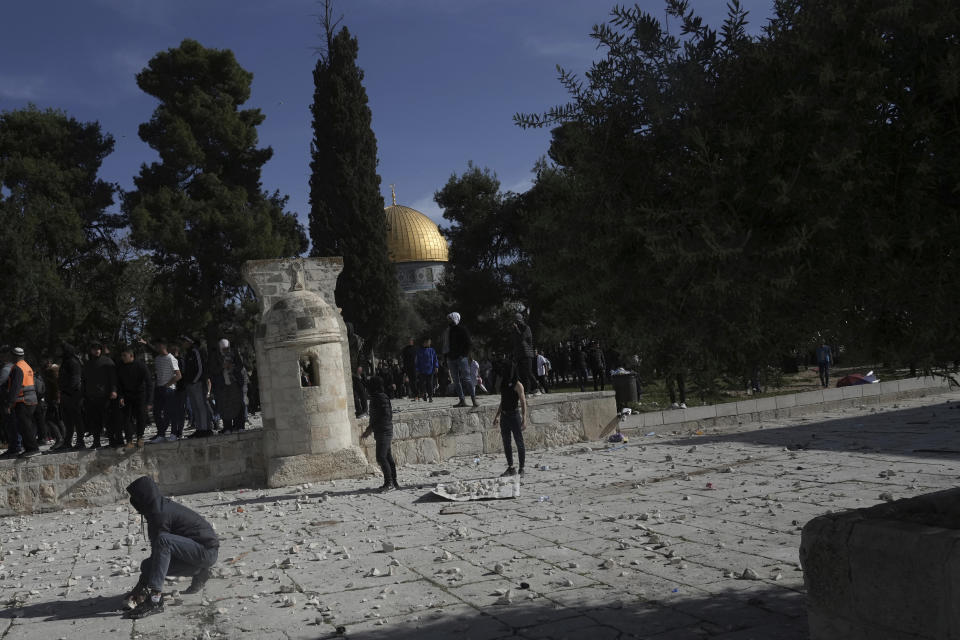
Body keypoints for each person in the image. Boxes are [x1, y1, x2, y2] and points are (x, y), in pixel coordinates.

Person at [122, 476, 219, 619]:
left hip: (206, 551)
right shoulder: (155, 509)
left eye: (136, 498)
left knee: (163, 541)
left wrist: (145, 586)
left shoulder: (159, 514)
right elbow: (157, 558)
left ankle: (155, 599)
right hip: (195, 553)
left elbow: (161, 546)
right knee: (148, 566)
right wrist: (139, 587)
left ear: (144, 497)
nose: (134, 503)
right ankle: (199, 571)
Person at [359, 376, 401, 493]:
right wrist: (370, 429)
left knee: (381, 457)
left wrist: (370, 429)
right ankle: (393, 482)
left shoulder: (381, 397)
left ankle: (389, 483)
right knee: (387, 456)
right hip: (381, 430)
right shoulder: (377, 397)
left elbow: (385, 415)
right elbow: (376, 417)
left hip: (384, 431)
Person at [2, 347, 40, 458]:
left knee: (25, 426)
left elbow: (15, 387)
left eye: (11, 355)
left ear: (15, 356)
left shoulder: (17, 368)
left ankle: (32, 448)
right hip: (31, 399)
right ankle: (31, 448)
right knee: (27, 425)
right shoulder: (27, 366)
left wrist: (9, 403)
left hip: (23, 400)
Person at [492, 363, 527, 477]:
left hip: (514, 415)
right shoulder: (504, 384)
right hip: (504, 416)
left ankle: (522, 468)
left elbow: (523, 402)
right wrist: (497, 416)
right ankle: (511, 467)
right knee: (506, 442)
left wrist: (524, 418)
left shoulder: (518, 385)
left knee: (519, 442)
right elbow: (503, 401)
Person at [82, 342, 118, 449]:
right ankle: (96, 441)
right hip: (91, 396)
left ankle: (112, 440)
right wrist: (85, 394)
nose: (97, 350)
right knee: (94, 420)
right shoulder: (88, 364)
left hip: (105, 395)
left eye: (98, 348)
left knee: (108, 419)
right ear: (91, 350)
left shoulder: (107, 361)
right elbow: (84, 380)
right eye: (94, 349)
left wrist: (114, 390)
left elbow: (113, 378)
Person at [207, 339, 245, 433]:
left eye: (227, 348)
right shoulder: (215, 356)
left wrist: (232, 367)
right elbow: (213, 369)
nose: (226, 350)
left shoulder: (234, 353)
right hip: (222, 385)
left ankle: (239, 425)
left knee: (238, 403)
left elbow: (240, 365)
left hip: (234, 383)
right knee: (224, 405)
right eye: (223, 349)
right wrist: (222, 367)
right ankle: (227, 427)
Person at [118, 347, 152, 448]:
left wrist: (149, 401)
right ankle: (129, 440)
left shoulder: (141, 366)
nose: (122, 358)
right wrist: (120, 396)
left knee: (141, 417)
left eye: (125, 355)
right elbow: (119, 383)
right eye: (122, 356)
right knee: (127, 418)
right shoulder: (120, 367)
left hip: (140, 395)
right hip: (127, 396)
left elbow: (149, 383)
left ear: (131, 356)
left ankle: (140, 437)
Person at [149, 339, 181, 442]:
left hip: (169, 389)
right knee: (157, 412)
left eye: (158, 345)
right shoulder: (157, 358)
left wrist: (167, 385)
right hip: (158, 388)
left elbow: (178, 375)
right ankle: (161, 434)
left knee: (170, 412)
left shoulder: (171, 358)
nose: (156, 348)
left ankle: (173, 433)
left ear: (163, 346)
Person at [444, 312, 477, 408]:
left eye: (450, 318)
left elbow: (469, 343)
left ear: (455, 318)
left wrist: (463, 355)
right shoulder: (448, 331)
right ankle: (462, 400)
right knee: (456, 380)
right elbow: (446, 345)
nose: (448, 320)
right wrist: (445, 357)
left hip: (461, 358)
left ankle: (474, 400)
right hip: (451, 358)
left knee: (467, 378)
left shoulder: (462, 329)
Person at [180, 336, 210, 438]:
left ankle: (206, 429)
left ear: (189, 342)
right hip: (190, 385)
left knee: (201, 407)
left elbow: (201, 368)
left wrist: (195, 380)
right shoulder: (187, 354)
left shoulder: (195, 352)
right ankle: (199, 429)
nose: (182, 344)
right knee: (195, 408)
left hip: (197, 384)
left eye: (184, 341)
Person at [58, 342, 84, 449]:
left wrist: (68, 391)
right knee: (68, 421)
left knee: (77, 419)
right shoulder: (66, 361)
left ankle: (80, 441)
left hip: (73, 395)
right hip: (66, 395)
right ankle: (67, 442)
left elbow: (75, 379)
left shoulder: (73, 362)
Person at [511, 313, 536, 394]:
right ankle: (527, 390)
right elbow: (515, 343)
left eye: (517, 321)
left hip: (527, 353)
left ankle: (536, 387)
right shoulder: (515, 330)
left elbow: (522, 338)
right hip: (519, 354)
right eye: (515, 321)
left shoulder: (526, 328)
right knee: (522, 374)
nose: (516, 323)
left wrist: (517, 329)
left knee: (528, 372)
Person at [415, 338, 439, 402]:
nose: (428, 343)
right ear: (423, 343)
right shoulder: (419, 351)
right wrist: (417, 369)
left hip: (430, 370)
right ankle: (424, 394)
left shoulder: (432, 350)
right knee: (422, 384)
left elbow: (435, 359)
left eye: (429, 342)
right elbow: (417, 361)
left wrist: (436, 366)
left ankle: (430, 396)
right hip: (422, 370)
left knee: (430, 384)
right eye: (426, 342)